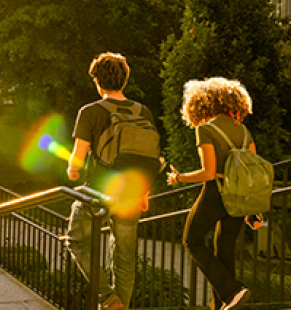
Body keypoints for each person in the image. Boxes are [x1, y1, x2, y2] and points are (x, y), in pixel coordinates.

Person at [65, 52, 161, 310]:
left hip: (98, 191)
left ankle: (107, 298)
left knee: (75, 240)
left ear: (97, 81)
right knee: (125, 259)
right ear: (125, 80)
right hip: (132, 191)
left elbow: (78, 158)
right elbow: (147, 155)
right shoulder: (144, 111)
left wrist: (72, 172)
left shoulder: (90, 112)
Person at [167, 77, 253, 310]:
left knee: (191, 240)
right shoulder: (244, 131)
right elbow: (252, 174)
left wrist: (179, 178)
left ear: (202, 104)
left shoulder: (206, 129)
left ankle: (232, 290)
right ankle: (226, 302)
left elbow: (208, 173)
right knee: (224, 251)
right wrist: (253, 211)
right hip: (240, 197)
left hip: (217, 192)